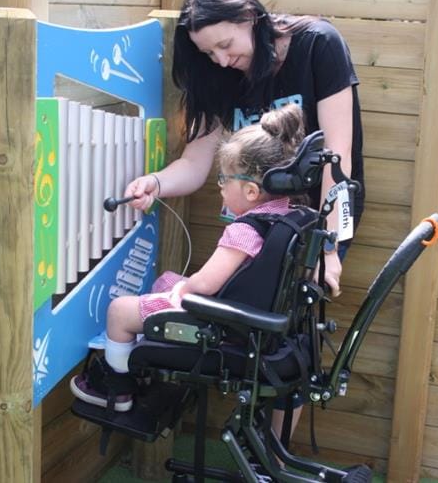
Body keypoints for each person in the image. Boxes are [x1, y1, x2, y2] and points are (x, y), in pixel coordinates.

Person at [126, 0, 365, 298]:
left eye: (225, 45)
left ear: (250, 16)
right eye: (208, 53)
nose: (222, 61)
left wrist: (329, 246)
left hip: (316, 221)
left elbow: (338, 156)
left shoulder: (317, 44)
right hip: (251, 226)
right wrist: (156, 183)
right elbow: (195, 162)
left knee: (283, 327)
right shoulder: (216, 74)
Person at [71, 104, 306, 411]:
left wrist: (183, 290)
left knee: (119, 311)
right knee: (166, 279)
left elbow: (206, 283)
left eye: (224, 180)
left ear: (250, 191)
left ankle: (118, 387)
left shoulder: (245, 230)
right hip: (248, 320)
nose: (220, 189)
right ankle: (139, 366)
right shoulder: (287, 215)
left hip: (220, 326)